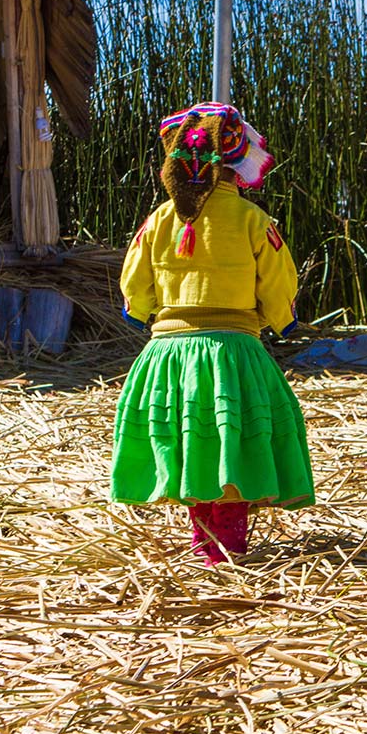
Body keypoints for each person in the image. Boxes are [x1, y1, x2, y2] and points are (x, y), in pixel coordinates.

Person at [111, 102, 315, 564]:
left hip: (168, 355)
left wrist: (143, 313)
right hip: (234, 352)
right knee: (229, 438)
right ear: (235, 164)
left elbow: (133, 285)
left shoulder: (158, 220)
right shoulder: (252, 221)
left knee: (192, 440)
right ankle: (222, 550)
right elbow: (279, 284)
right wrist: (277, 319)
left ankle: (207, 544)